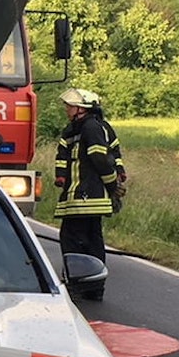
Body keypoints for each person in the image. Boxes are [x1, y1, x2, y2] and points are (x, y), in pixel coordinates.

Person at [51, 88, 125, 301]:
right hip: (81, 196)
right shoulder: (74, 129)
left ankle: (78, 284)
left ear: (81, 108)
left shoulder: (91, 127)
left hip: (86, 197)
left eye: (70, 105)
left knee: (72, 240)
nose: (67, 109)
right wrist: (61, 176)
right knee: (92, 239)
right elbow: (63, 156)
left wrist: (112, 185)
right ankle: (93, 287)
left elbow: (100, 158)